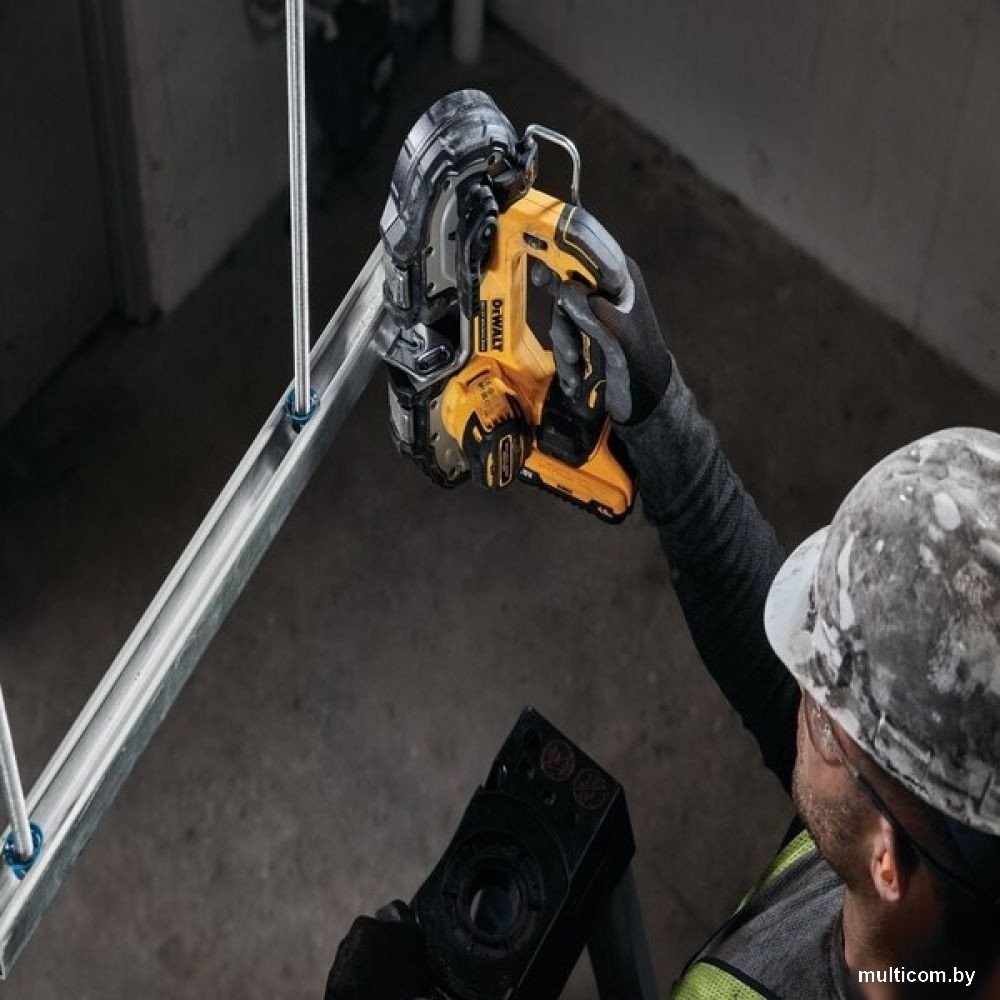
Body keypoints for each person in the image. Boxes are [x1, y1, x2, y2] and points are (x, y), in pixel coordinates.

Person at [325, 244, 1000, 998]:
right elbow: (795, 700)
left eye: (824, 718)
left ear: (887, 862)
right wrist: (658, 413)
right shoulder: (946, 861)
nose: (800, 691)